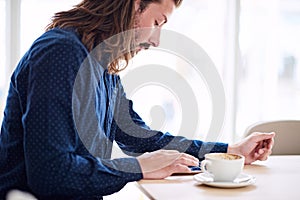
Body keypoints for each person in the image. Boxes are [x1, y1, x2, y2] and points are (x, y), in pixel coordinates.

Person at [0, 0, 275, 199]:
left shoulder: (102, 65)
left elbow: (141, 136)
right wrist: (139, 168)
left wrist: (229, 151)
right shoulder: (60, 53)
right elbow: (51, 176)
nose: (156, 40)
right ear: (134, 6)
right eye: (157, 22)